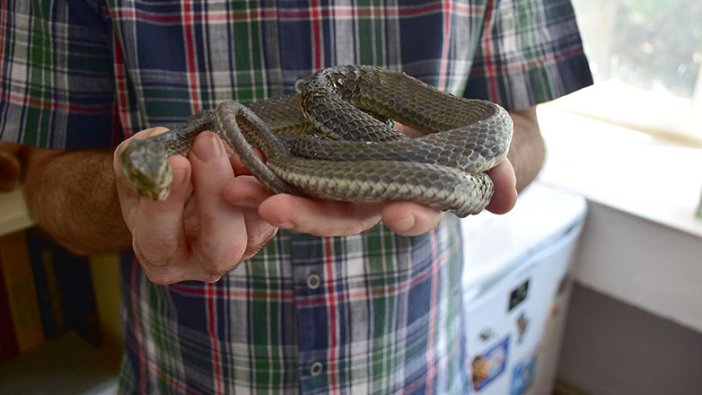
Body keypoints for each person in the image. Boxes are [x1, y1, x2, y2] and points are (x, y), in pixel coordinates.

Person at [1, 0, 593, 393]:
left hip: (418, 368)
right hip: (187, 374)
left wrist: (469, 164)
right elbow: (46, 174)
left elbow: (520, 128)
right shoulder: (183, 151)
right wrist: (129, 198)